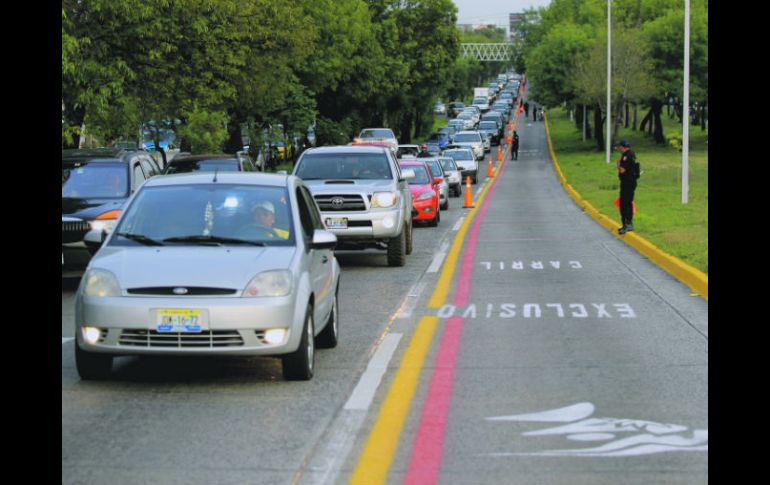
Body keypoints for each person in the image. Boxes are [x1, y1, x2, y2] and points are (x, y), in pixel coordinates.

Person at [616, 139, 639, 234]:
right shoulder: (632, 154)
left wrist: (618, 164)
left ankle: (627, 225)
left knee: (624, 204)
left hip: (627, 183)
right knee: (627, 202)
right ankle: (627, 224)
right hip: (631, 182)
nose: (619, 149)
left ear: (622, 147)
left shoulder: (626, 156)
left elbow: (622, 170)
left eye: (619, 147)